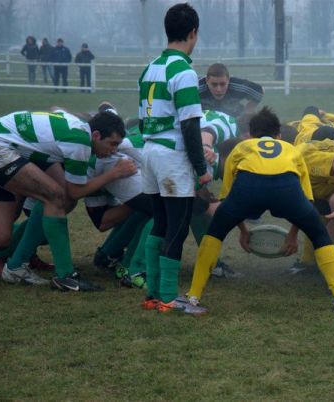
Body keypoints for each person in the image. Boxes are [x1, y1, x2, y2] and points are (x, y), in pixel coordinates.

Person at [183, 107, 334, 313]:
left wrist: (242, 230)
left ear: (250, 135)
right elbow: (306, 199)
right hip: (286, 189)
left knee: (214, 234)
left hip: (249, 187)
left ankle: (194, 296)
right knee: (319, 235)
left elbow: (228, 197)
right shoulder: (290, 149)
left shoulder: (242, 147)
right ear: (279, 135)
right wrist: (294, 234)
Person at [0, 109, 130, 291]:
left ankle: (17, 265)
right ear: (96, 135)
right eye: (112, 144)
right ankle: (65, 276)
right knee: (56, 197)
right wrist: (114, 174)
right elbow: (75, 192)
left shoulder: (77, 128)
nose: (114, 151)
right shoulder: (80, 141)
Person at [138, 3, 211, 315]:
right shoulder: (184, 71)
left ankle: (154, 293)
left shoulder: (150, 67)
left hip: (149, 152)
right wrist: (202, 168)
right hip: (171, 155)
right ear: (193, 32)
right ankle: (168, 296)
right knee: (177, 228)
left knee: (160, 223)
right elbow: (190, 124)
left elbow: (142, 120)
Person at [198, 63, 264, 118]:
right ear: (207, 80)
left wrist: (248, 110)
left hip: (235, 120)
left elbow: (259, 91)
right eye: (214, 85)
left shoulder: (237, 86)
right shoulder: (197, 89)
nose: (219, 89)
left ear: (228, 80)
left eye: (223, 84)